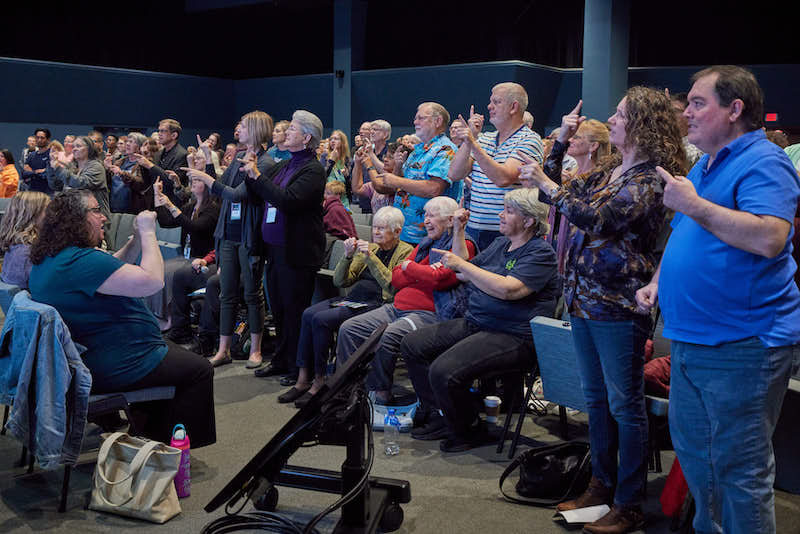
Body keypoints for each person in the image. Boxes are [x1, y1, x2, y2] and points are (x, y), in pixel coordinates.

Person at [636, 65, 800, 534]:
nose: (685, 112)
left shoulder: (765, 162)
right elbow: (690, 235)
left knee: (738, 472)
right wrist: (659, 281)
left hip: (743, 345)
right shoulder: (705, 165)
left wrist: (693, 204)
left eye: (696, 103)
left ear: (734, 109)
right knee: (700, 462)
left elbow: (770, 237)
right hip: (693, 341)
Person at [519, 87, 686, 533]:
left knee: (624, 406)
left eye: (619, 114)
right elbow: (555, 186)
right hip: (582, 299)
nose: (610, 119)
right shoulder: (614, 170)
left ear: (642, 125)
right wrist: (558, 143)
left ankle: (629, 503)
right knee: (595, 401)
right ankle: (600, 487)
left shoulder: (650, 178)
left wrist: (549, 186)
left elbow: (597, 219)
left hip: (617, 305)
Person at [28, 189, 216, 448]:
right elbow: (152, 282)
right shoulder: (79, 261)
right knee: (200, 370)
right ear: (75, 219)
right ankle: (175, 450)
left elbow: (110, 269)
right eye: (95, 211)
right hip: (115, 362)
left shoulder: (56, 257)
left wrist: (135, 241)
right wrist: (149, 233)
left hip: (94, 354)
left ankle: (149, 436)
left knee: (176, 356)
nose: (103, 217)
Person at [400, 188, 560, 451]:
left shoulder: (540, 253)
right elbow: (464, 270)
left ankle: (468, 430)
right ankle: (443, 415)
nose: (501, 215)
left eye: (509, 211)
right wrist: (459, 231)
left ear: (529, 221)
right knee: (413, 344)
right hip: (478, 322)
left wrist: (464, 267)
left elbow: (509, 290)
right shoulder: (501, 244)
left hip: (513, 335)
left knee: (443, 370)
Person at [336, 196, 477, 404]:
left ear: (450, 221)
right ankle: (346, 390)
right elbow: (396, 277)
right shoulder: (425, 244)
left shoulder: (462, 246)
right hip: (397, 306)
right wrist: (422, 272)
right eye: (425, 215)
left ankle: (380, 393)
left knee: (389, 335)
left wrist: (411, 269)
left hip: (428, 313)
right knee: (349, 328)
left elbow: (441, 280)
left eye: (432, 215)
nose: (426, 220)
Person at [277, 206, 414, 407]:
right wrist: (348, 255)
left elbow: (392, 286)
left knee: (321, 320)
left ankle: (320, 380)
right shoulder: (372, 248)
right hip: (355, 298)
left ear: (397, 231)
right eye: (374, 227)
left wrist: (371, 258)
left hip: (377, 303)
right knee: (308, 314)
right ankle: (303, 379)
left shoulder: (405, 251)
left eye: (382, 229)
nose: (375, 232)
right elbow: (341, 282)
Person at [238, 110, 326, 385]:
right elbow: (259, 196)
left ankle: (296, 368)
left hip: (297, 253)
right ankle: (280, 359)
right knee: (279, 309)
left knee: (294, 311)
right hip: (275, 250)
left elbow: (288, 201)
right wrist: (251, 175)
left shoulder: (313, 169)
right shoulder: (285, 165)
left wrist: (258, 177)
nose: (286, 132)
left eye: (292, 130)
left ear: (306, 137)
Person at [185, 111, 275, 369]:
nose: (238, 129)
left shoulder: (265, 162)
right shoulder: (237, 156)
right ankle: (223, 349)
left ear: (256, 130)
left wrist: (206, 178)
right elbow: (221, 184)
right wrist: (206, 165)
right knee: (227, 293)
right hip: (227, 234)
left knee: (252, 293)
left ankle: (255, 349)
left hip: (248, 235)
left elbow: (237, 194)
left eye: (244, 126)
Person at [448, 83, 544, 250]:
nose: (489, 106)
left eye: (496, 102)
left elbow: (503, 178)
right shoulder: (484, 139)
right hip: (473, 228)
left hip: (507, 233)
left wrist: (473, 144)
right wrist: (468, 139)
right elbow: (455, 173)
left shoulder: (530, 140)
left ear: (514, 107)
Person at [147, 168, 220, 335]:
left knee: (173, 273)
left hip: (206, 260)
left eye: (199, 180)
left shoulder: (213, 209)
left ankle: (174, 322)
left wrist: (170, 204)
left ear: (208, 185)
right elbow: (166, 221)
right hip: (188, 258)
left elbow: (194, 227)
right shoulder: (191, 206)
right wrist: (157, 196)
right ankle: (159, 317)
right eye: (193, 180)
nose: (194, 182)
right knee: (159, 269)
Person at [379, 102, 461, 244]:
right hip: (405, 232)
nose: (415, 121)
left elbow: (434, 188)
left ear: (438, 121)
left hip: (427, 237)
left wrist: (394, 180)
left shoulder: (446, 150)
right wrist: (398, 167)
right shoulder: (419, 150)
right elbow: (404, 186)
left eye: (421, 118)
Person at [48, 135, 111, 220]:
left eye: (78, 146)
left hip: (96, 218)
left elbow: (80, 184)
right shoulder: (72, 166)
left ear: (89, 149)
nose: (74, 149)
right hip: (74, 216)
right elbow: (55, 186)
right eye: (73, 146)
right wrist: (52, 165)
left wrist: (58, 168)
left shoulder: (96, 167)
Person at [131, 118, 188, 204]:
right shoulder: (158, 153)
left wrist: (150, 165)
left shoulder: (182, 155)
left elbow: (174, 182)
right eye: (159, 131)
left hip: (171, 204)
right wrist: (143, 164)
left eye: (163, 131)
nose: (159, 134)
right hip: (155, 202)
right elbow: (149, 180)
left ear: (174, 135)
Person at [0, 191, 50, 288]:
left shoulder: (16, 245)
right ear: (31, 215)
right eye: (47, 210)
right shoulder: (26, 251)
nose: (51, 215)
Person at [21, 128, 52, 195]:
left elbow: (48, 173)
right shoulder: (31, 155)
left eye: (42, 138)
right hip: (32, 192)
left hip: (47, 192)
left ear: (48, 140)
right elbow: (24, 174)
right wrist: (36, 172)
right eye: (37, 137)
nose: (39, 140)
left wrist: (31, 171)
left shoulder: (51, 155)